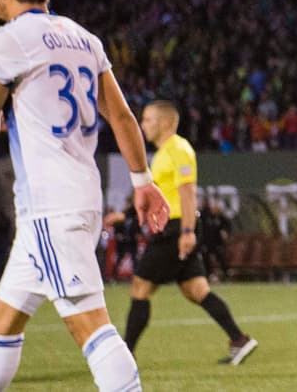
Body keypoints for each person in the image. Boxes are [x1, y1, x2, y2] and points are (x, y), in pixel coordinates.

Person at [0, 0, 169, 392]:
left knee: (90, 327)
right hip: (74, 200)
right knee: (1, 323)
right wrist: (143, 182)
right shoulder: (84, 38)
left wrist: (1, 115)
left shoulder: (8, 40)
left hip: (49, 209)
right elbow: (121, 116)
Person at [124, 100, 258, 366]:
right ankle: (239, 339)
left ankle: (123, 357)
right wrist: (125, 216)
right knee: (196, 290)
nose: (143, 125)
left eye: (148, 119)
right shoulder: (163, 153)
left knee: (140, 288)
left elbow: (187, 192)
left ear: (163, 123)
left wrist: (186, 231)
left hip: (175, 229)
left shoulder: (178, 149)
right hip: (175, 227)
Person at [106, 199, 142, 280]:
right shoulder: (121, 216)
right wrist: (118, 235)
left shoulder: (134, 217)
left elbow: (138, 227)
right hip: (122, 243)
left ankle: (136, 277)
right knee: (119, 259)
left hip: (132, 242)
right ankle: (113, 277)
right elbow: (116, 228)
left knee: (135, 260)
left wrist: (138, 234)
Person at [198, 198, 232, 283]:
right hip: (206, 242)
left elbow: (228, 226)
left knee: (221, 257)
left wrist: (225, 232)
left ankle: (226, 274)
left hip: (217, 242)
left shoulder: (220, 217)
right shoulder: (204, 215)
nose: (216, 209)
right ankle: (208, 275)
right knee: (205, 258)